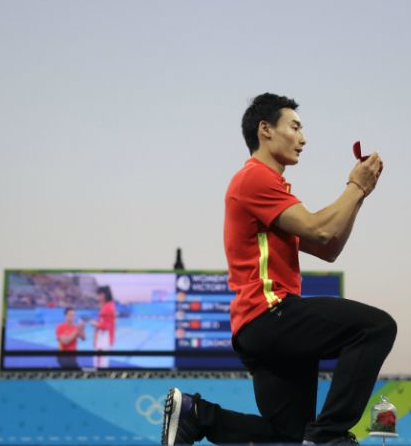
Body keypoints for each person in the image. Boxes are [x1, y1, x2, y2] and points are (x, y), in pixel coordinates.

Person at [162, 93, 397, 445]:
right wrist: (355, 185)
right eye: (295, 127)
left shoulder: (268, 187)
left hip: (257, 329)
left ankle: (197, 415)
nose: (303, 139)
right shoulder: (255, 179)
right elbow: (320, 227)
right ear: (265, 130)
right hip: (271, 313)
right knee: (376, 327)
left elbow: (328, 246)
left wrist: (359, 195)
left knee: (287, 437)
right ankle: (329, 434)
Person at [89, 285, 116, 368]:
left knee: (100, 362)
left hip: (104, 338)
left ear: (103, 295)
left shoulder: (108, 307)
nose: (97, 297)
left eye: (98, 295)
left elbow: (106, 325)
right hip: (102, 338)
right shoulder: (106, 306)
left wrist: (94, 323)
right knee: (99, 361)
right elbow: (103, 322)